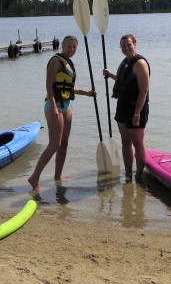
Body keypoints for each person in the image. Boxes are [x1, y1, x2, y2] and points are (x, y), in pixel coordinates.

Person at [28, 36, 97, 190]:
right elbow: (49, 85)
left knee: (64, 143)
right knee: (55, 144)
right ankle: (34, 178)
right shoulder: (56, 61)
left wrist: (87, 93)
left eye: (74, 47)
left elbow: (67, 88)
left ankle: (58, 176)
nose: (71, 50)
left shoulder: (69, 64)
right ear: (63, 46)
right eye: (69, 47)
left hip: (67, 106)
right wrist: (53, 107)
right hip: (55, 106)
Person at [102, 34, 150, 181]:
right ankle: (128, 173)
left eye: (129, 45)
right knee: (125, 142)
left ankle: (139, 175)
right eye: (123, 46)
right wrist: (111, 75)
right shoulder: (126, 62)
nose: (126, 48)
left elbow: (144, 91)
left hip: (136, 108)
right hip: (122, 106)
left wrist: (137, 113)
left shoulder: (140, 63)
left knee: (138, 143)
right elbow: (125, 81)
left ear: (135, 44)